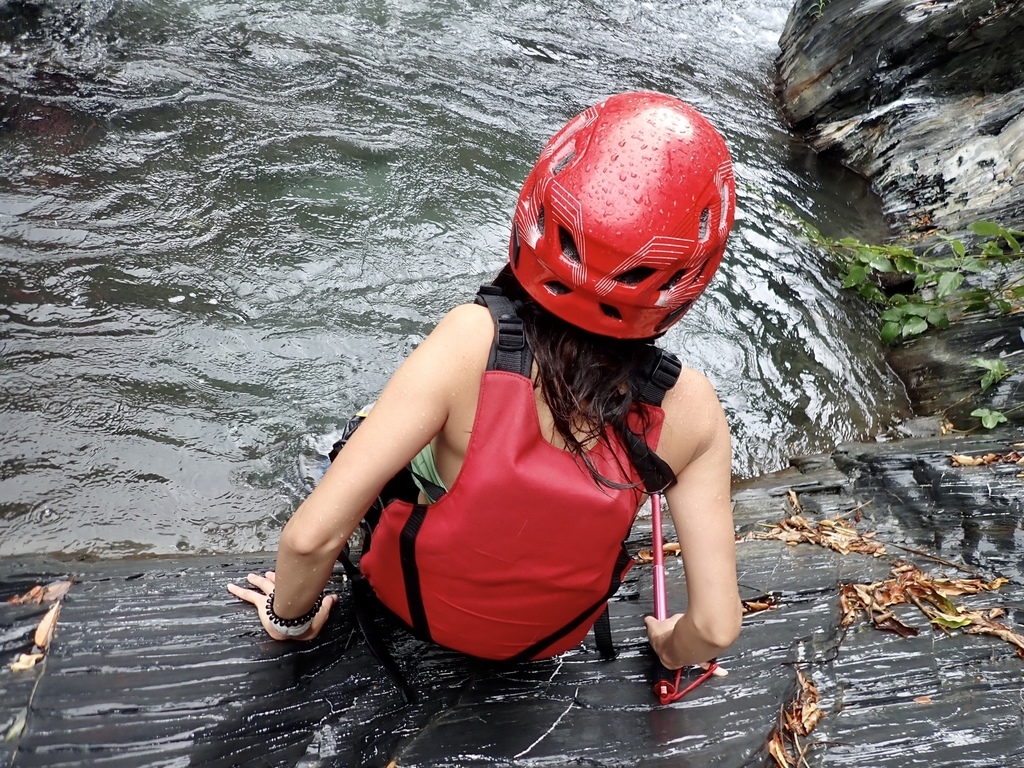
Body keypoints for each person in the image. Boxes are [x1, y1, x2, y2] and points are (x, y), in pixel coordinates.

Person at [228, 91, 742, 674]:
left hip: (410, 605)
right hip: (543, 643)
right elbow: (717, 627)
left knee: (373, 425)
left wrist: (290, 619)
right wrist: (671, 644)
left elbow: (308, 540)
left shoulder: (473, 341)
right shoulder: (693, 410)